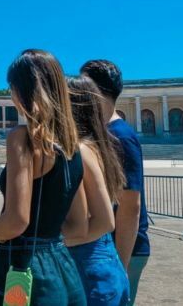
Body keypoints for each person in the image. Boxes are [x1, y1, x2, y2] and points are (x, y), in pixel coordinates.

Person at [0, 49, 86, 306]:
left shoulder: (22, 138)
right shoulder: (73, 147)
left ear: (21, 90)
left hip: (23, 272)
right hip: (64, 270)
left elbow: (16, 221)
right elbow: (79, 225)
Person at [82, 60, 150, 306]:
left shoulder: (121, 136)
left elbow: (131, 206)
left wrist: (120, 265)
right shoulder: (102, 132)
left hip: (124, 248)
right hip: (107, 245)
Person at [65, 76, 130, 306]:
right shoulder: (99, 148)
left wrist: (45, 242)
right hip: (105, 262)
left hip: (87, 269)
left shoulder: (78, 151)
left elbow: (104, 222)